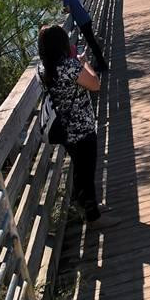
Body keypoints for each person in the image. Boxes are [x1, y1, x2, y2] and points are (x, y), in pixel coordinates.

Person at [37, 25, 116, 227]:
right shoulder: (68, 67)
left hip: (65, 129)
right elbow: (95, 84)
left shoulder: (44, 69)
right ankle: (93, 217)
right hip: (82, 128)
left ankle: (87, 207)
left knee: (81, 171)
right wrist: (85, 63)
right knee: (86, 173)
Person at [52, 0, 108, 72]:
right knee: (92, 43)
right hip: (86, 18)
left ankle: (102, 65)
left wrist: (63, 11)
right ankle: (101, 63)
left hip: (83, 22)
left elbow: (68, 9)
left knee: (92, 44)